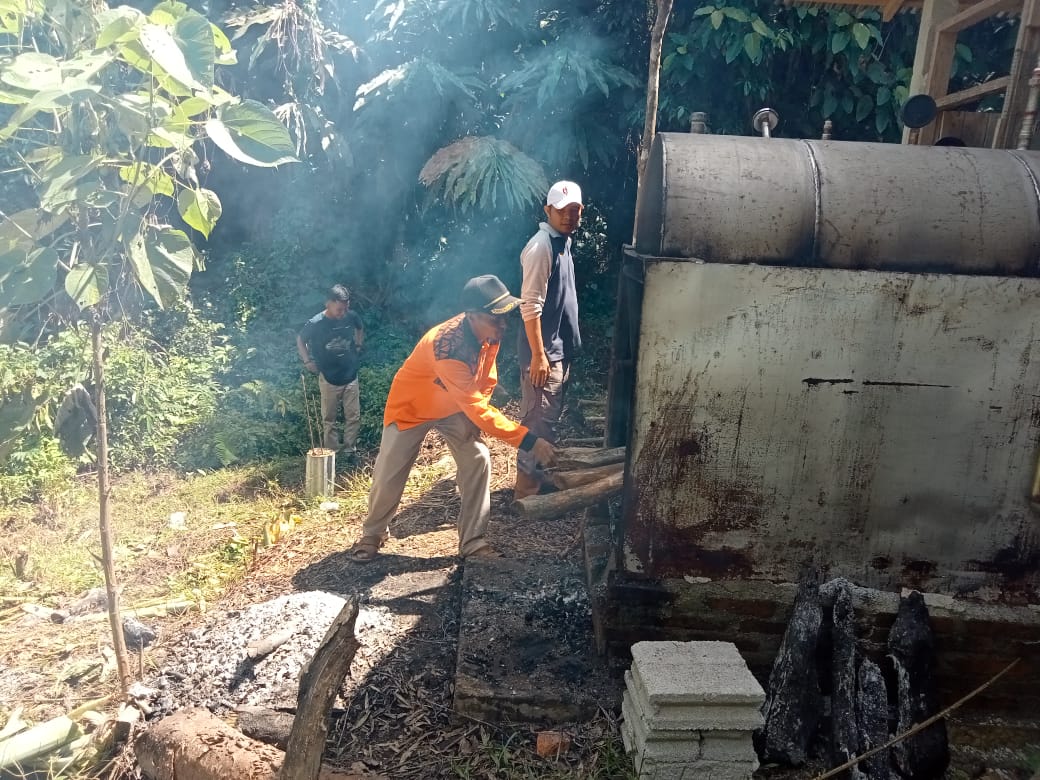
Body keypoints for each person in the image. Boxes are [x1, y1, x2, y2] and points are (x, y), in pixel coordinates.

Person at [348, 275, 557, 563]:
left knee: (478, 458)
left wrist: (477, 411)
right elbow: (475, 406)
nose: (503, 324)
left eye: (504, 317)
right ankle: (372, 533)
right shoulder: (447, 346)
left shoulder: (489, 334)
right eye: (495, 318)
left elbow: (486, 378)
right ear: (472, 316)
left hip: (454, 405)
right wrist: (529, 440)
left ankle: (472, 542)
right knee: (389, 471)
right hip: (412, 407)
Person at [514, 180, 583, 500]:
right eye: (561, 210)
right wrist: (538, 356)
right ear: (547, 211)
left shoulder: (562, 242)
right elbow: (530, 305)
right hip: (544, 354)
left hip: (557, 351)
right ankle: (526, 492)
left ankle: (538, 479)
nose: (568, 216)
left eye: (574, 210)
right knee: (537, 421)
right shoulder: (542, 246)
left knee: (547, 420)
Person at [297, 284, 365, 458]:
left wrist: (358, 345)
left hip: (350, 375)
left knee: (353, 417)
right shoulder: (316, 323)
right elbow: (300, 339)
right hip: (328, 377)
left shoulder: (351, 316)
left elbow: (359, 327)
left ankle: (350, 451)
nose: (343, 313)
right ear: (328, 303)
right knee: (329, 420)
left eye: (346, 308)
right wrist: (307, 361)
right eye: (339, 309)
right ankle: (332, 454)